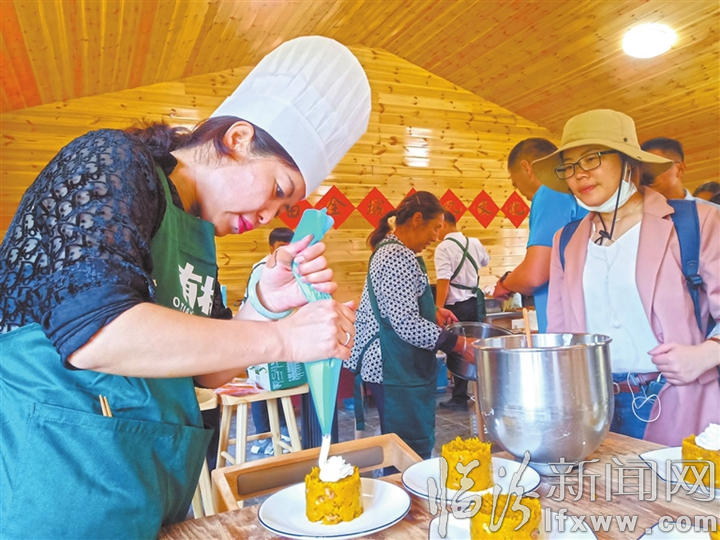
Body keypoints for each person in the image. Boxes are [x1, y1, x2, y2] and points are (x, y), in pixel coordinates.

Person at [0, 36, 370, 538]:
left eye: (283, 210)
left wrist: (265, 305)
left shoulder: (196, 236)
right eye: (278, 190)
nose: (269, 217)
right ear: (238, 139)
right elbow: (96, 333)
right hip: (51, 490)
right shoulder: (112, 160)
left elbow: (207, 373)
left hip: (141, 496)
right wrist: (284, 339)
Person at [533, 109, 720, 445]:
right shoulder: (566, 240)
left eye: (591, 158)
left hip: (676, 399)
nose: (579, 174)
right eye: (569, 166)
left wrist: (706, 354)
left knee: (673, 480)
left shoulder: (697, 223)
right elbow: (560, 334)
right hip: (593, 405)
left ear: (629, 163)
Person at [343, 192, 475, 459]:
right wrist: (459, 344)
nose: (436, 237)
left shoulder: (397, 251)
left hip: (396, 364)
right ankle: (404, 487)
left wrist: (433, 311)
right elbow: (405, 323)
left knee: (405, 445)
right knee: (405, 450)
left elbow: (396, 304)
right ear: (416, 220)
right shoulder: (396, 255)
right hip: (391, 367)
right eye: (435, 228)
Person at [492, 138, 588, 332]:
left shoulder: (551, 192)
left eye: (515, 183)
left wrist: (505, 284)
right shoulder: (573, 193)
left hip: (567, 328)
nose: (518, 190)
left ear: (527, 168)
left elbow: (534, 274)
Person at [242, 227, 294, 455]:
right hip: (257, 335)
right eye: (281, 247)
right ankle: (263, 437)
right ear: (271, 247)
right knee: (260, 389)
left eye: (289, 247)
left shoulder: (292, 268)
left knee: (278, 384)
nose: (285, 252)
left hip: (278, 336)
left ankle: (281, 431)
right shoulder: (262, 268)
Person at [434, 210, 490, 411]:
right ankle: (484, 393)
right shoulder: (474, 242)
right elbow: (485, 261)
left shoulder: (443, 247)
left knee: (457, 349)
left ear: (444, 224)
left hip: (455, 306)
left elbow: (443, 280)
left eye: (438, 227)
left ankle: (459, 397)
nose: (436, 232)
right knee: (476, 346)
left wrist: (438, 308)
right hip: (474, 302)